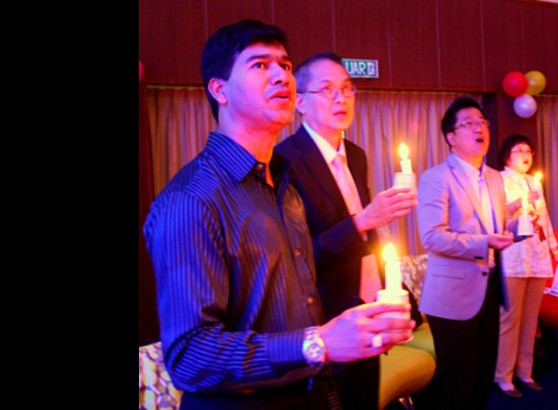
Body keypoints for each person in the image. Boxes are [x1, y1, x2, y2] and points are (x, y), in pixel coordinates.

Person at [142, 20, 414, 410]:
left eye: (285, 66)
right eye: (259, 65)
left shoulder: (282, 184)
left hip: (314, 391)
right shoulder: (191, 199)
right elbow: (189, 356)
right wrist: (317, 341)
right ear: (219, 90)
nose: (280, 77)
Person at [273, 51, 417, 410]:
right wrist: (364, 220)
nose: (340, 98)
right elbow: (298, 258)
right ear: (300, 102)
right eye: (327, 90)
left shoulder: (356, 153)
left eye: (347, 89)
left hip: (368, 305)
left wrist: (390, 293)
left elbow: (369, 240)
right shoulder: (284, 160)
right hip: (326, 318)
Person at [416, 96, 517, 409]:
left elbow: (494, 227)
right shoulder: (437, 177)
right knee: (456, 383)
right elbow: (432, 237)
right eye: (469, 123)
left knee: (482, 375)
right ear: (451, 137)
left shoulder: (496, 178)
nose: (479, 128)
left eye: (482, 122)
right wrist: (485, 242)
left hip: (488, 289)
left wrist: (519, 223)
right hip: (451, 297)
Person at [493, 134, 558, 398]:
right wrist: (517, 205)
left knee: (530, 319)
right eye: (518, 150)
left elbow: (544, 218)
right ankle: (503, 376)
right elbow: (495, 219)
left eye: (529, 151)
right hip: (513, 256)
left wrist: (555, 250)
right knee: (510, 318)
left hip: (536, 256)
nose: (525, 155)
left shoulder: (534, 181)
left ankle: (526, 371)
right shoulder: (498, 180)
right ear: (506, 156)